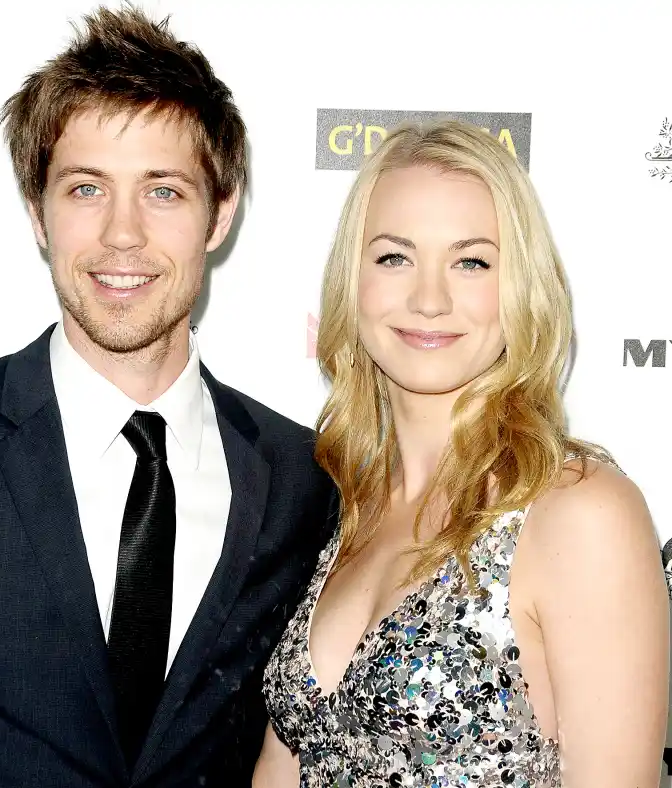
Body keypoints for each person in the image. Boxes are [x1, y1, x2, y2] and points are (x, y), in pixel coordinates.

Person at [0, 5, 336, 787]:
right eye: (87, 189)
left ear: (220, 214)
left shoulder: (304, 479)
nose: (123, 233)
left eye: (163, 192)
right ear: (37, 213)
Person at [254, 120, 670, 787]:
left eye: (471, 261)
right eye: (394, 257)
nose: (429, 298)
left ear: (519, 289)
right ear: (352, 283)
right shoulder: (344, 506)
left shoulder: (580, 513)